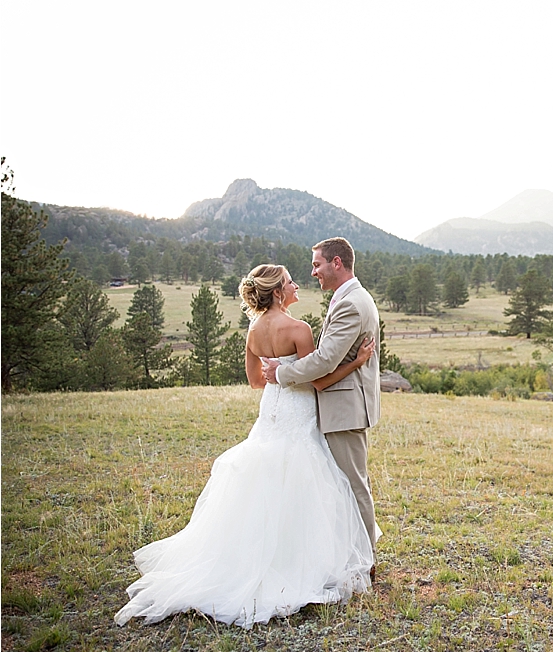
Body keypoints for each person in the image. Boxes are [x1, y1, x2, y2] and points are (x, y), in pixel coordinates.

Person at [115, 264, 376, 629]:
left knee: (265, 482)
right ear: (278, 291)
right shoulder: (299, 329)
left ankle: (251, 559)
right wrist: (358, 363)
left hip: (270, 414)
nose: (296, 285)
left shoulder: (253, 330)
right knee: (305, 483)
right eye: (289, 282)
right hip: (298, 415)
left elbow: (256, 381)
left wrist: (276, 375)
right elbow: (317, 382)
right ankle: (300, 563)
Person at [261, 237, 382, 580]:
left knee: (354, 485)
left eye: (317, 264)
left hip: (344, 405)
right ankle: (351, 556)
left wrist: (281, 373)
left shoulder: (350, 304)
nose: (313, 272)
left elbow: (326, 358)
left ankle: (366, 564)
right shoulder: (348, 298)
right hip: (339, 403)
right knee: (342, 485)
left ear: (337, 263)